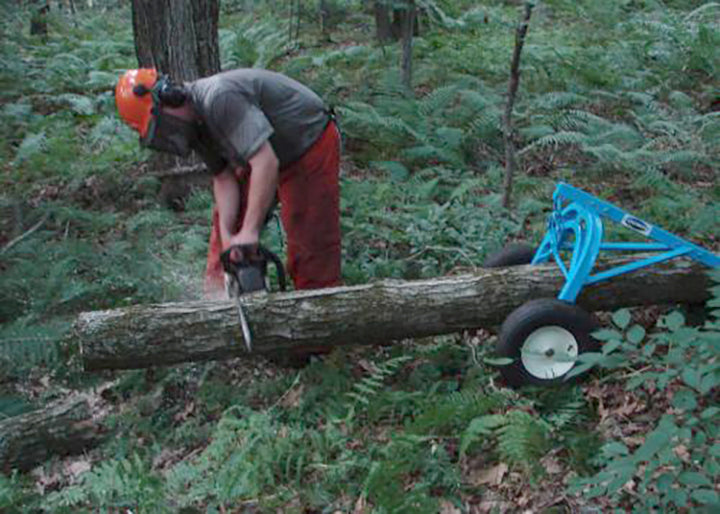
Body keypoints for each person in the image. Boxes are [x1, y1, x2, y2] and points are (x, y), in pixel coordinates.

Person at [115, 68, 342, 298]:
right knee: (227, 237)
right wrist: (230, 240)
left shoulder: (219, 99)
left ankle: (320, 311)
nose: (168, 134)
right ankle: (219, 305)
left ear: (170, 97)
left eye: (162, 125)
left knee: (311, 246)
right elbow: (224, 178)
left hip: (306, 143)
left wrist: (250, 233)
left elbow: (265, 163)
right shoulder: (197, 126)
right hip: (261, 154)